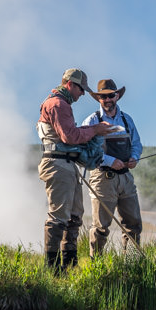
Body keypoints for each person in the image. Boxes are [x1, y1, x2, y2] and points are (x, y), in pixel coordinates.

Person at [37, 68, 117, 272]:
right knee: (58, 217)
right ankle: (53, 269)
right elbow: (69, 137)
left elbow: (69, 135)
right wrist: (96, 130)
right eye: (81, 89)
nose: (82, 94)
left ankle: (69, 264)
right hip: (57, 164)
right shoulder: (58, 104)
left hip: (66, 164)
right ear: (70, 84)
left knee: (74, 216)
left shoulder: (60, 103)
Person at [81, 78, 144, 257]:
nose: (107, 100)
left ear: (117, 96)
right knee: (101, 227)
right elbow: (87, 150)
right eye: (103, 97)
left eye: (110, 96)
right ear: (98, 99)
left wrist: (134, 157)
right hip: (102, 178)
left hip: (125, 177)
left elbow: (137, 143)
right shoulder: (92, 120)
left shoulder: (126, 119)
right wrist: (109, 161)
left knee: (133, 224)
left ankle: (131, 263)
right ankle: (96, 265)